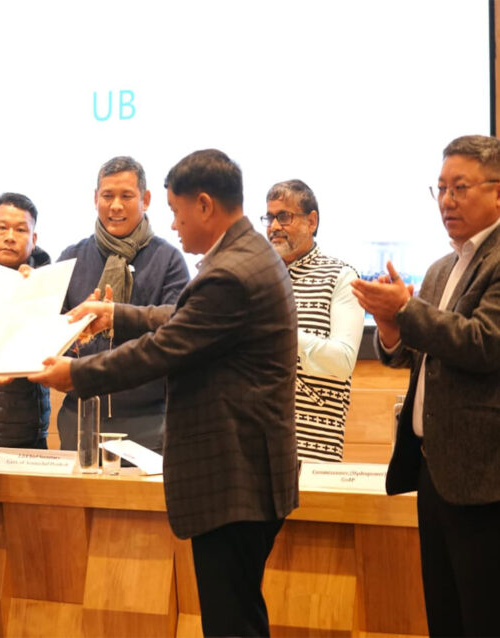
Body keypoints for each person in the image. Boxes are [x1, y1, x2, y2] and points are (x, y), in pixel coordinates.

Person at [31, 149, 298, 637]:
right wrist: (118, 314)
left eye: (175, 211)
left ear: (204, 205)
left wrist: (77, 374)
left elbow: (164, 348)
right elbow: (181, 318)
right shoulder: (245, 256)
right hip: (245, 474)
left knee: (232, 623)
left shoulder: (230, 272)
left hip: (235, 477)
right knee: (238, 615)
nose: (172, 224)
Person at [352, 134, 500, 636]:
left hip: (485, 478)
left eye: (460, 187)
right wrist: (390, 328)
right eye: (440, 188)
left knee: (484, 617)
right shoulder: (441, 269)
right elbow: (417, 356)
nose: (446, 201)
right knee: (445, 616)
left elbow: (483, 343)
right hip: (435, 471)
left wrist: (406, 310)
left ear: (497, 192)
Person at [57, 156, 189, 452]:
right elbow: (49, 331)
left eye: (126, 196)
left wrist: (116, 317)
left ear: (146, 199)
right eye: (107, 196)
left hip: (149, 419)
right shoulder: (70, 257)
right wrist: (77, 334)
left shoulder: (169, 260)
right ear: (95, 198)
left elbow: (177, 333)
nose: (115, 205)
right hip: (78, 415)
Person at [263, 180, 364, 462]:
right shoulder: (258, 279)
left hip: (311, 454)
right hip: (254, 447)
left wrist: (283, 334)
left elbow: (343, 361)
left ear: (312, 221)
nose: (273, 227)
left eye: (284, 216)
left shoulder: (341, 277)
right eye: (269, 218)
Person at [0, 192, 52, 456]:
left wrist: (37, 294)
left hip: (29, 434)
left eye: (21, 230)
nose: (10, 236)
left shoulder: (51, 284)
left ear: (34, 239)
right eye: (2, 227)